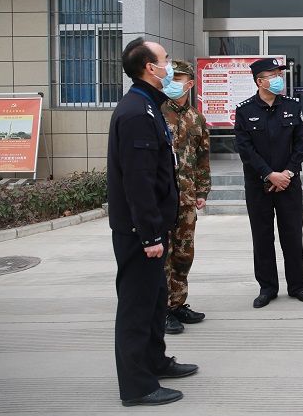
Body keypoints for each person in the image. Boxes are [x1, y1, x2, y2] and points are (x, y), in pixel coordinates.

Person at [107, 38, 198, 407]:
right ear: (149, 67)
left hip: (154, 227)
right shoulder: (136, 113)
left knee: (156, 300)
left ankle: (155, 361)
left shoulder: (148, 106)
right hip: (139, 233)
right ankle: (137, 386)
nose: (170, 66)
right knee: (137, 307)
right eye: (165, 60)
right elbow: (138, 181)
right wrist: (149, 236)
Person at [234, 57, 303, 308]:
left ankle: (297, 286)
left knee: (293, 236)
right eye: (273, 75)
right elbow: (245, 150)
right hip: (258, 185)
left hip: (289, 184)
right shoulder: (245, 110)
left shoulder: (293, 106)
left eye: (279, 75)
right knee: (262, 237)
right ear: (260, 81)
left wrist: (287, 174)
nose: (279, 79)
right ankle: (267, 288)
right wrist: (269, 174)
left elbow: (301, 144)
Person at [160, 60, 211, 335]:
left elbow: (203, 158)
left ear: (189, 84)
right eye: (170, 78)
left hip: (187, 198)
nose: (172, 83)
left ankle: (178, 303)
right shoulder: (156, 112)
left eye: (178, 79)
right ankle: (162, 309)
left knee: (183, 254)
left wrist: (202, 191)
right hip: (163, 197)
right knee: (164, 255)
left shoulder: (196, 118)